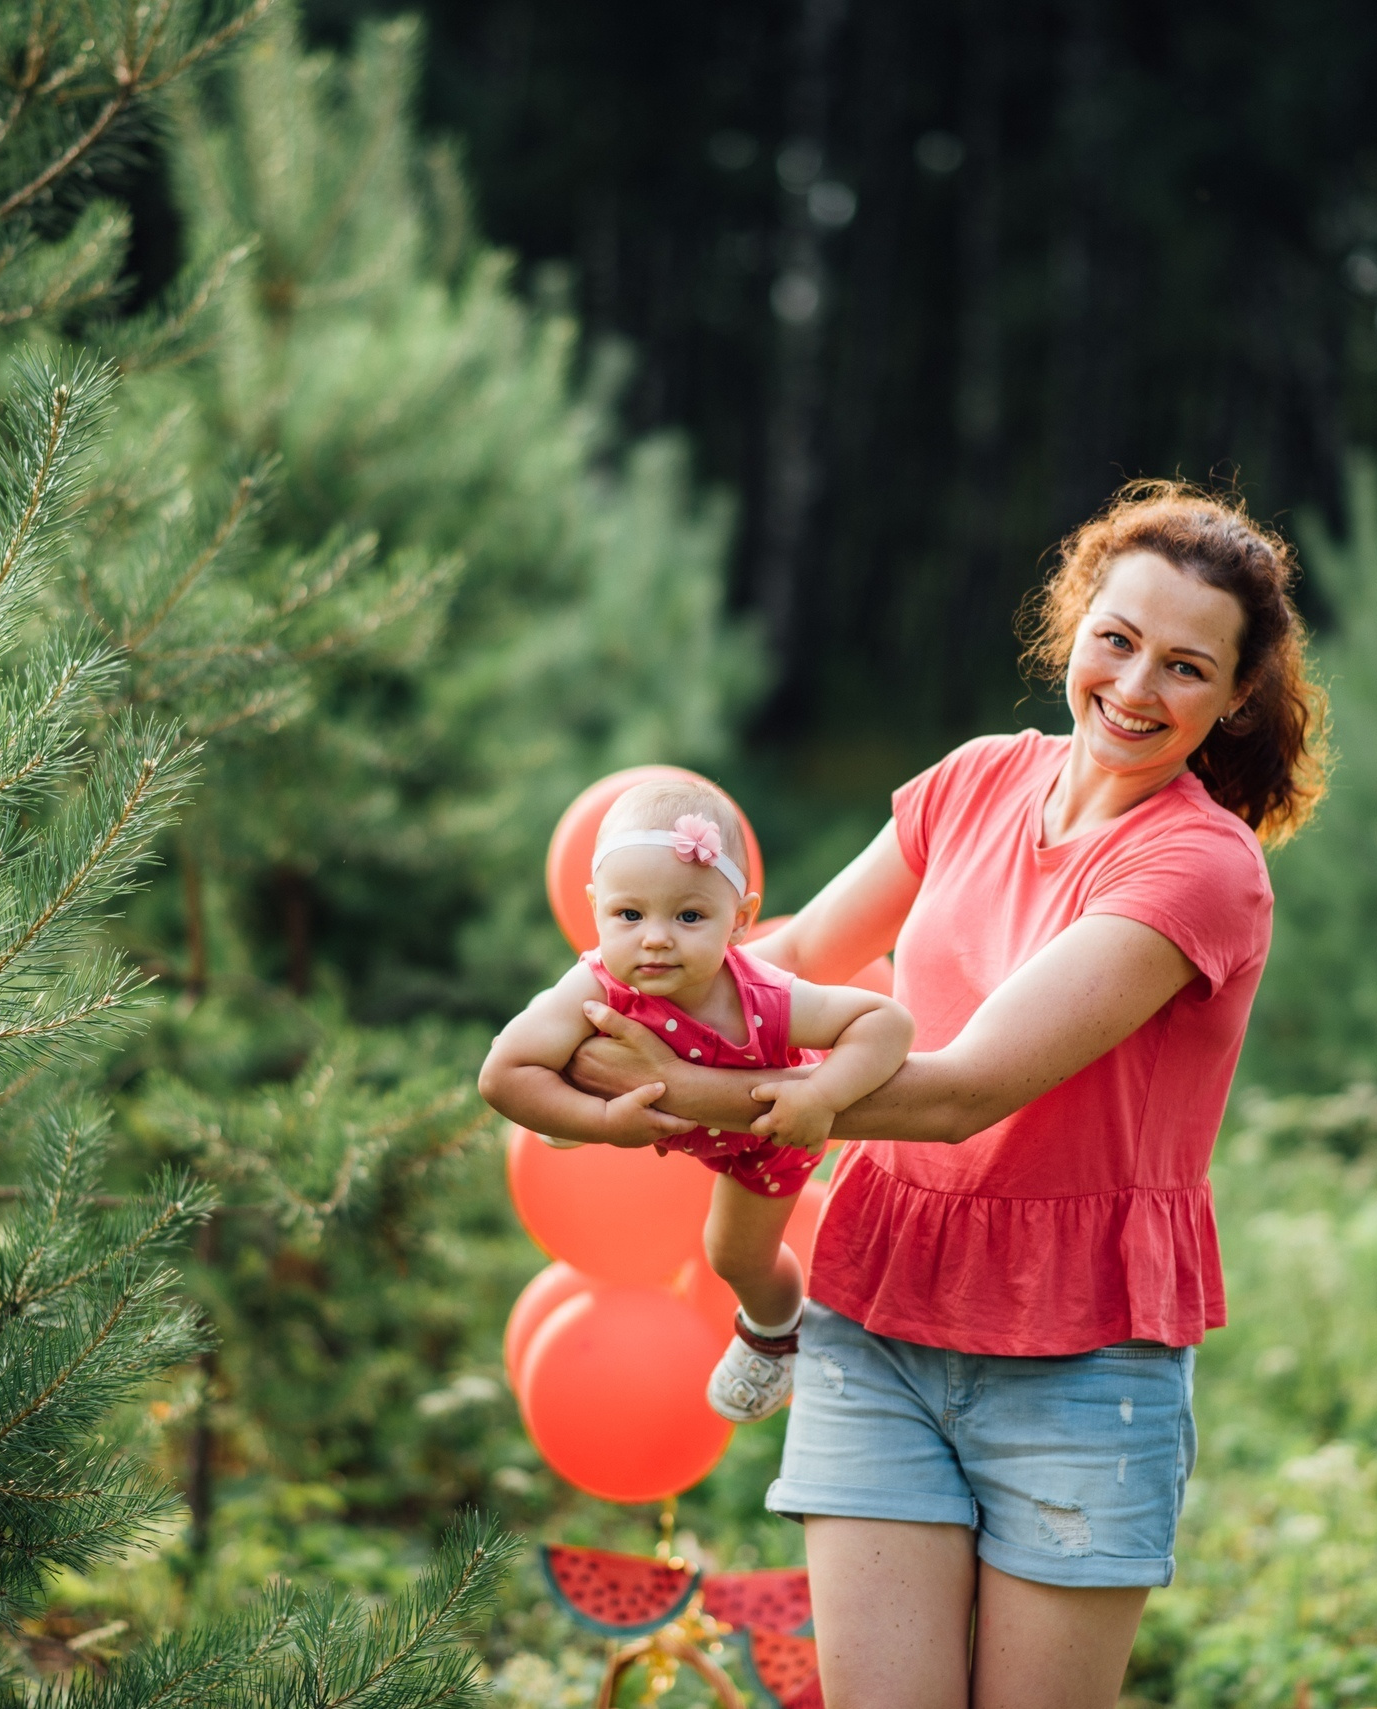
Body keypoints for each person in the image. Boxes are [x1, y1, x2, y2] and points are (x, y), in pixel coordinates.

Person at [565, 484, 1327, 1708]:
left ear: (1235, 694)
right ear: (1075, 622)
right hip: (878, 1311)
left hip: (1081, 1352)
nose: (1134, 686)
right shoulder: (971, 781)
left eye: (1186, 666)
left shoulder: (1201, 867)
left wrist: (693, 1087)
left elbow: (966, 1089)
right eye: (1116, 639)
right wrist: (606, 1002)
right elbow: (803, 948)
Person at [479, 778, 916, 1422]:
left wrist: (821, 1095)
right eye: (629, 916)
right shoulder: (597, 979)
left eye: (689, 917)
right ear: (598, 910)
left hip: (766, 1139)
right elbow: (501, 1073)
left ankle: (775, 1332)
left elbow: (887, 1024)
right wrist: (599, 1120)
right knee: (552, 1064)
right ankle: (573, 1101)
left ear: (739, 920)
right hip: (656, 1113)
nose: (655, 939)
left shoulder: (763, 997)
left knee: (732, 1254)